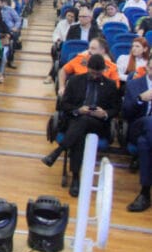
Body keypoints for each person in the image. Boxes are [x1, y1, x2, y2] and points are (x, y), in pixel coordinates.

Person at [43, 54, 120, 197]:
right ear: (87, 68)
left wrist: (104, 113)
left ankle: (59, 152)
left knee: (82, 123)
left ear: (103, 71)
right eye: (92, 72)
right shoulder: (75, 81)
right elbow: (64, 105)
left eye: (98, 73)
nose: (95, 76)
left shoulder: (110, 85)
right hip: (76, 119)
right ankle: (76, 177)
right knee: (80, 133)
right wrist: (78, 110)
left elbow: (115, 109)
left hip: (98, 123)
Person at [122, 59, 152, 212]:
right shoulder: (134, 85)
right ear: (147, 68)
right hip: (137, 127)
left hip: (146, 138)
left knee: (144, 144)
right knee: (150, 121)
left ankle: (145, 193)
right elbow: (125, 113)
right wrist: (140, 99)